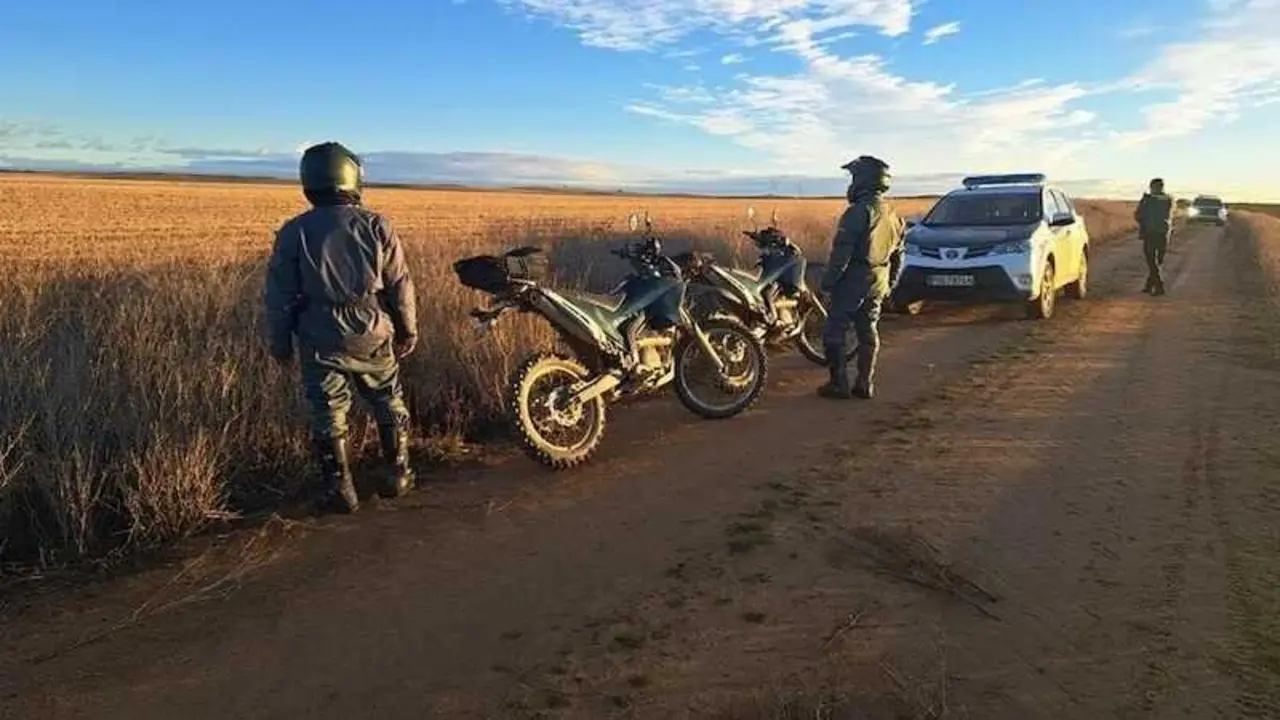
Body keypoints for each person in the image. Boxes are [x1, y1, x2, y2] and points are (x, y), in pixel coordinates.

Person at [264, 141, 419, 514]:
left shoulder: (294, 231)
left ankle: (339, 488)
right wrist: (407, 329)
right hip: (372, 330)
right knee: (387, 398)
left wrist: (280, 342)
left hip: (320, 335)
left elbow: (279, 294)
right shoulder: (377, 225)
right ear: (352, 178)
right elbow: (400, 285)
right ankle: (398, 472)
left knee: (328, 409)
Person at [818, 155, 906, 400]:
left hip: (854, 279)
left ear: (863, 180)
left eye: (855, 178)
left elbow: (841, 254)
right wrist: (889, 284)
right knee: (868, 331)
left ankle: (839, 383)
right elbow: (899, 255)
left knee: (834, 332)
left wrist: (828, 283)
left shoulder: (858, 212)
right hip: (879, 279)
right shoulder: (894, 215)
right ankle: (865, 383)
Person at [1135, 177, 1174, 296]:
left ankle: (1159, 286)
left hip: (1150, 233)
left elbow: (1138, 215)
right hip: (1163, 232)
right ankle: (1149, 285)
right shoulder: (1168, 199)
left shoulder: (1148, 200)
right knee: (1157, 261)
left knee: (1152, 260)